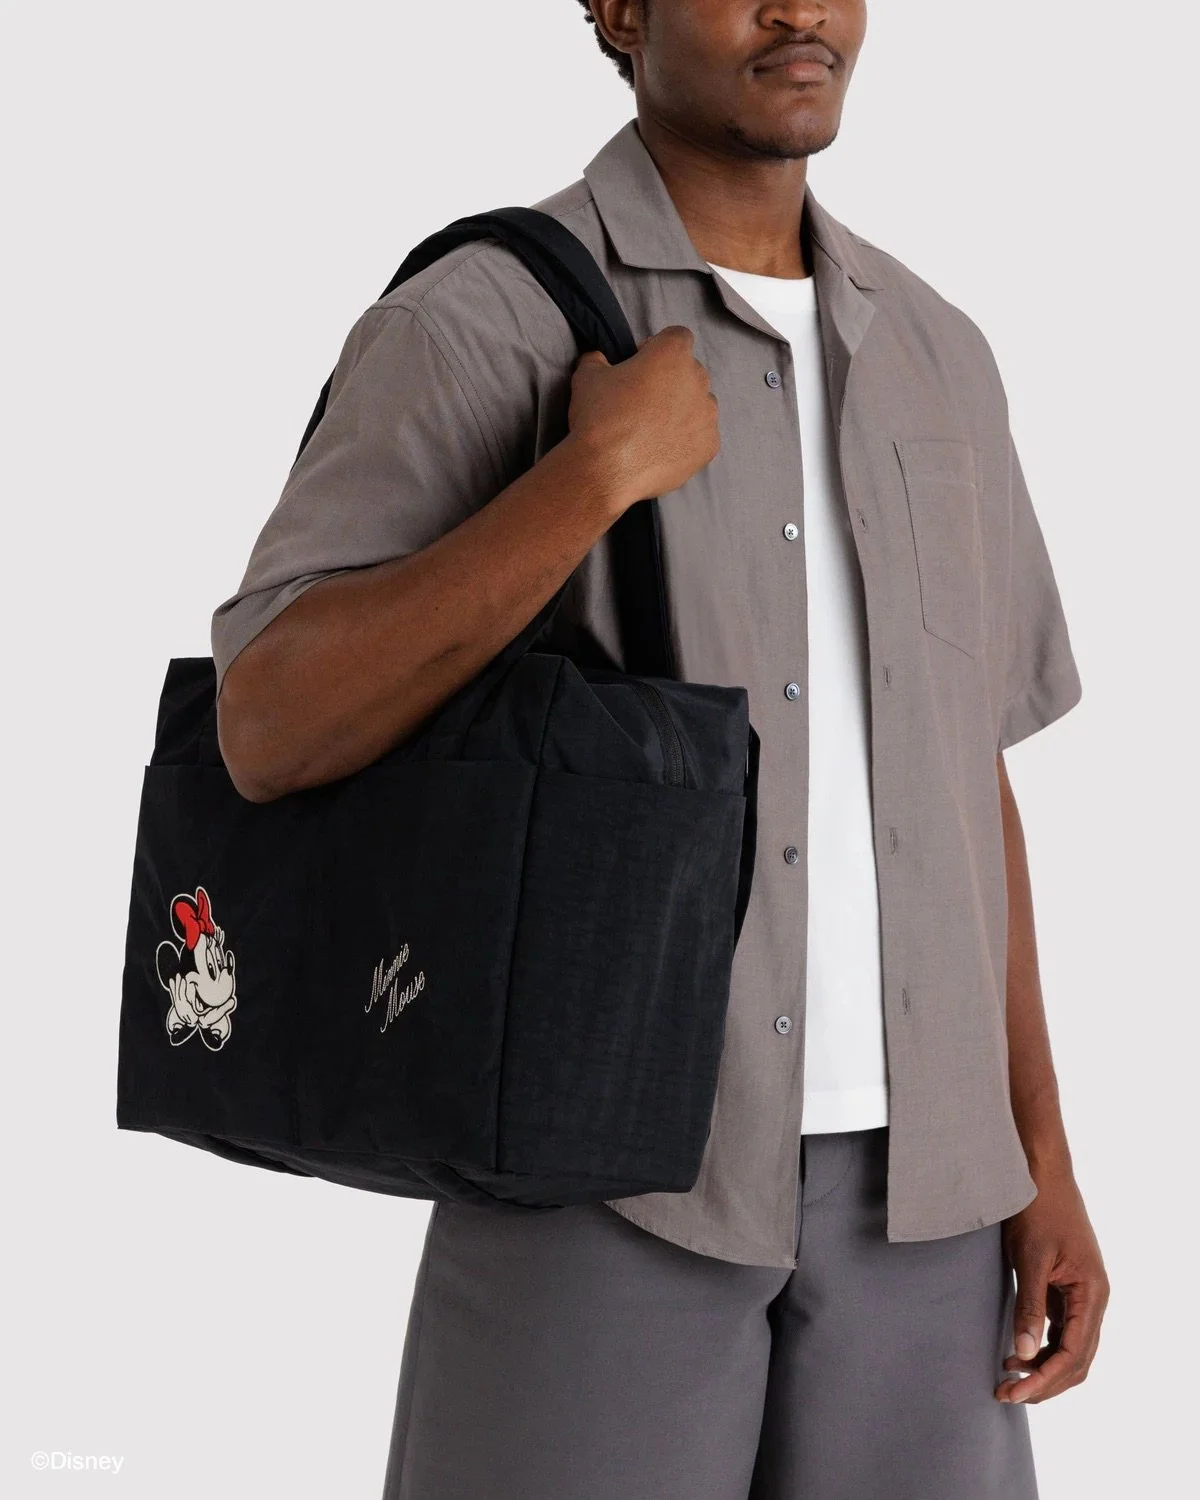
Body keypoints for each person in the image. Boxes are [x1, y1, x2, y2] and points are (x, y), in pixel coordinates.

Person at [210, 3, 1109, 1495]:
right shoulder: (482, 319)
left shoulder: (938, 352)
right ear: (620, 10)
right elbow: (268, 719)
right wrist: (590, 480)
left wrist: (1041, 1159)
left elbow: (970, 787)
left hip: (929, 1206)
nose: (801, 9)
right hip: (600, 1175)